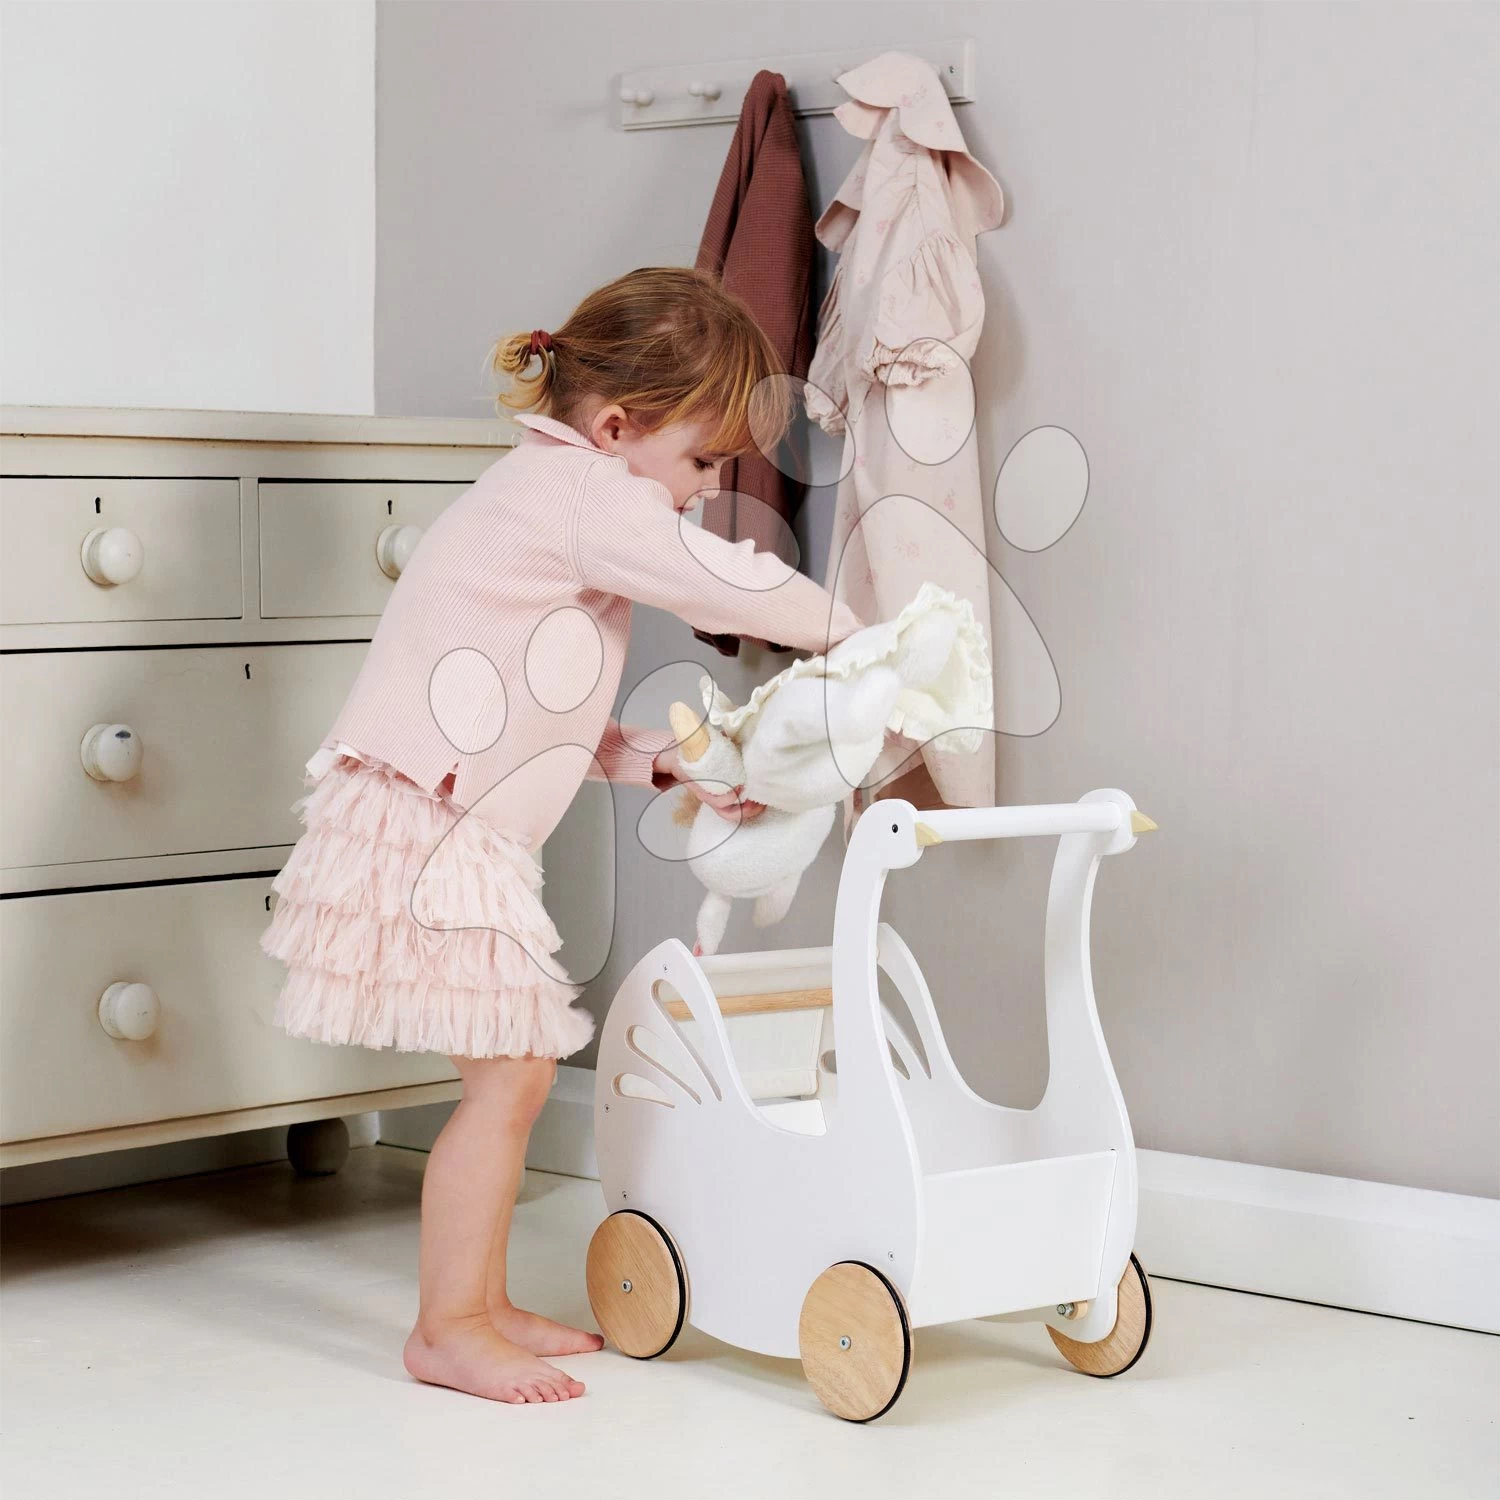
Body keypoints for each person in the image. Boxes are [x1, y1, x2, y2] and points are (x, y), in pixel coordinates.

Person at [261, 266, 864, 1405]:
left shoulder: (548, 496)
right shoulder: (585, 494)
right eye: (700, 463)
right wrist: (857, 635)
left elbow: (540, 716)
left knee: (516, 1076)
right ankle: (448, 1326)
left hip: (440, 810)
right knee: (512, 1078)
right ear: (617, 427)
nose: (701, 493)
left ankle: (478, 1306)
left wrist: (659, 762)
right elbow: (721, 583)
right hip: (430, 822)